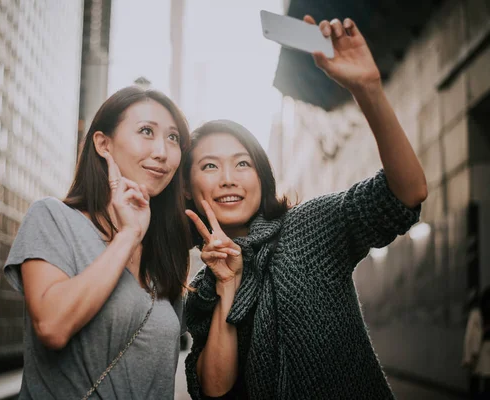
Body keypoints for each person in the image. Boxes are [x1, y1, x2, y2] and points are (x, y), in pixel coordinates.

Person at [182, 15, 428, 399]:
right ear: (189, 187)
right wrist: (227, 285)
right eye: (209, 165)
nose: (228, 177)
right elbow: (213, 390)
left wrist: (368, 89)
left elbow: (407, 193)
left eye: (242, 163)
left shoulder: (308, 226)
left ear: (262, 178)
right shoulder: (201, 291)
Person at [3, 86, 192, 399]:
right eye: (146, 131)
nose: (162, 151)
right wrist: (127, 236)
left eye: (173, 138)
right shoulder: (52, 218)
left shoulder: (164, 252)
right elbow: (53, 325)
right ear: (104, 144)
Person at [464, 287, 490, 398]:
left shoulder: (477, 314)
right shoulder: (477, 315)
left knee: (484, 380)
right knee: (485, 380)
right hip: (484, 348)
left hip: (483, 348)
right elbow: (473, 337)